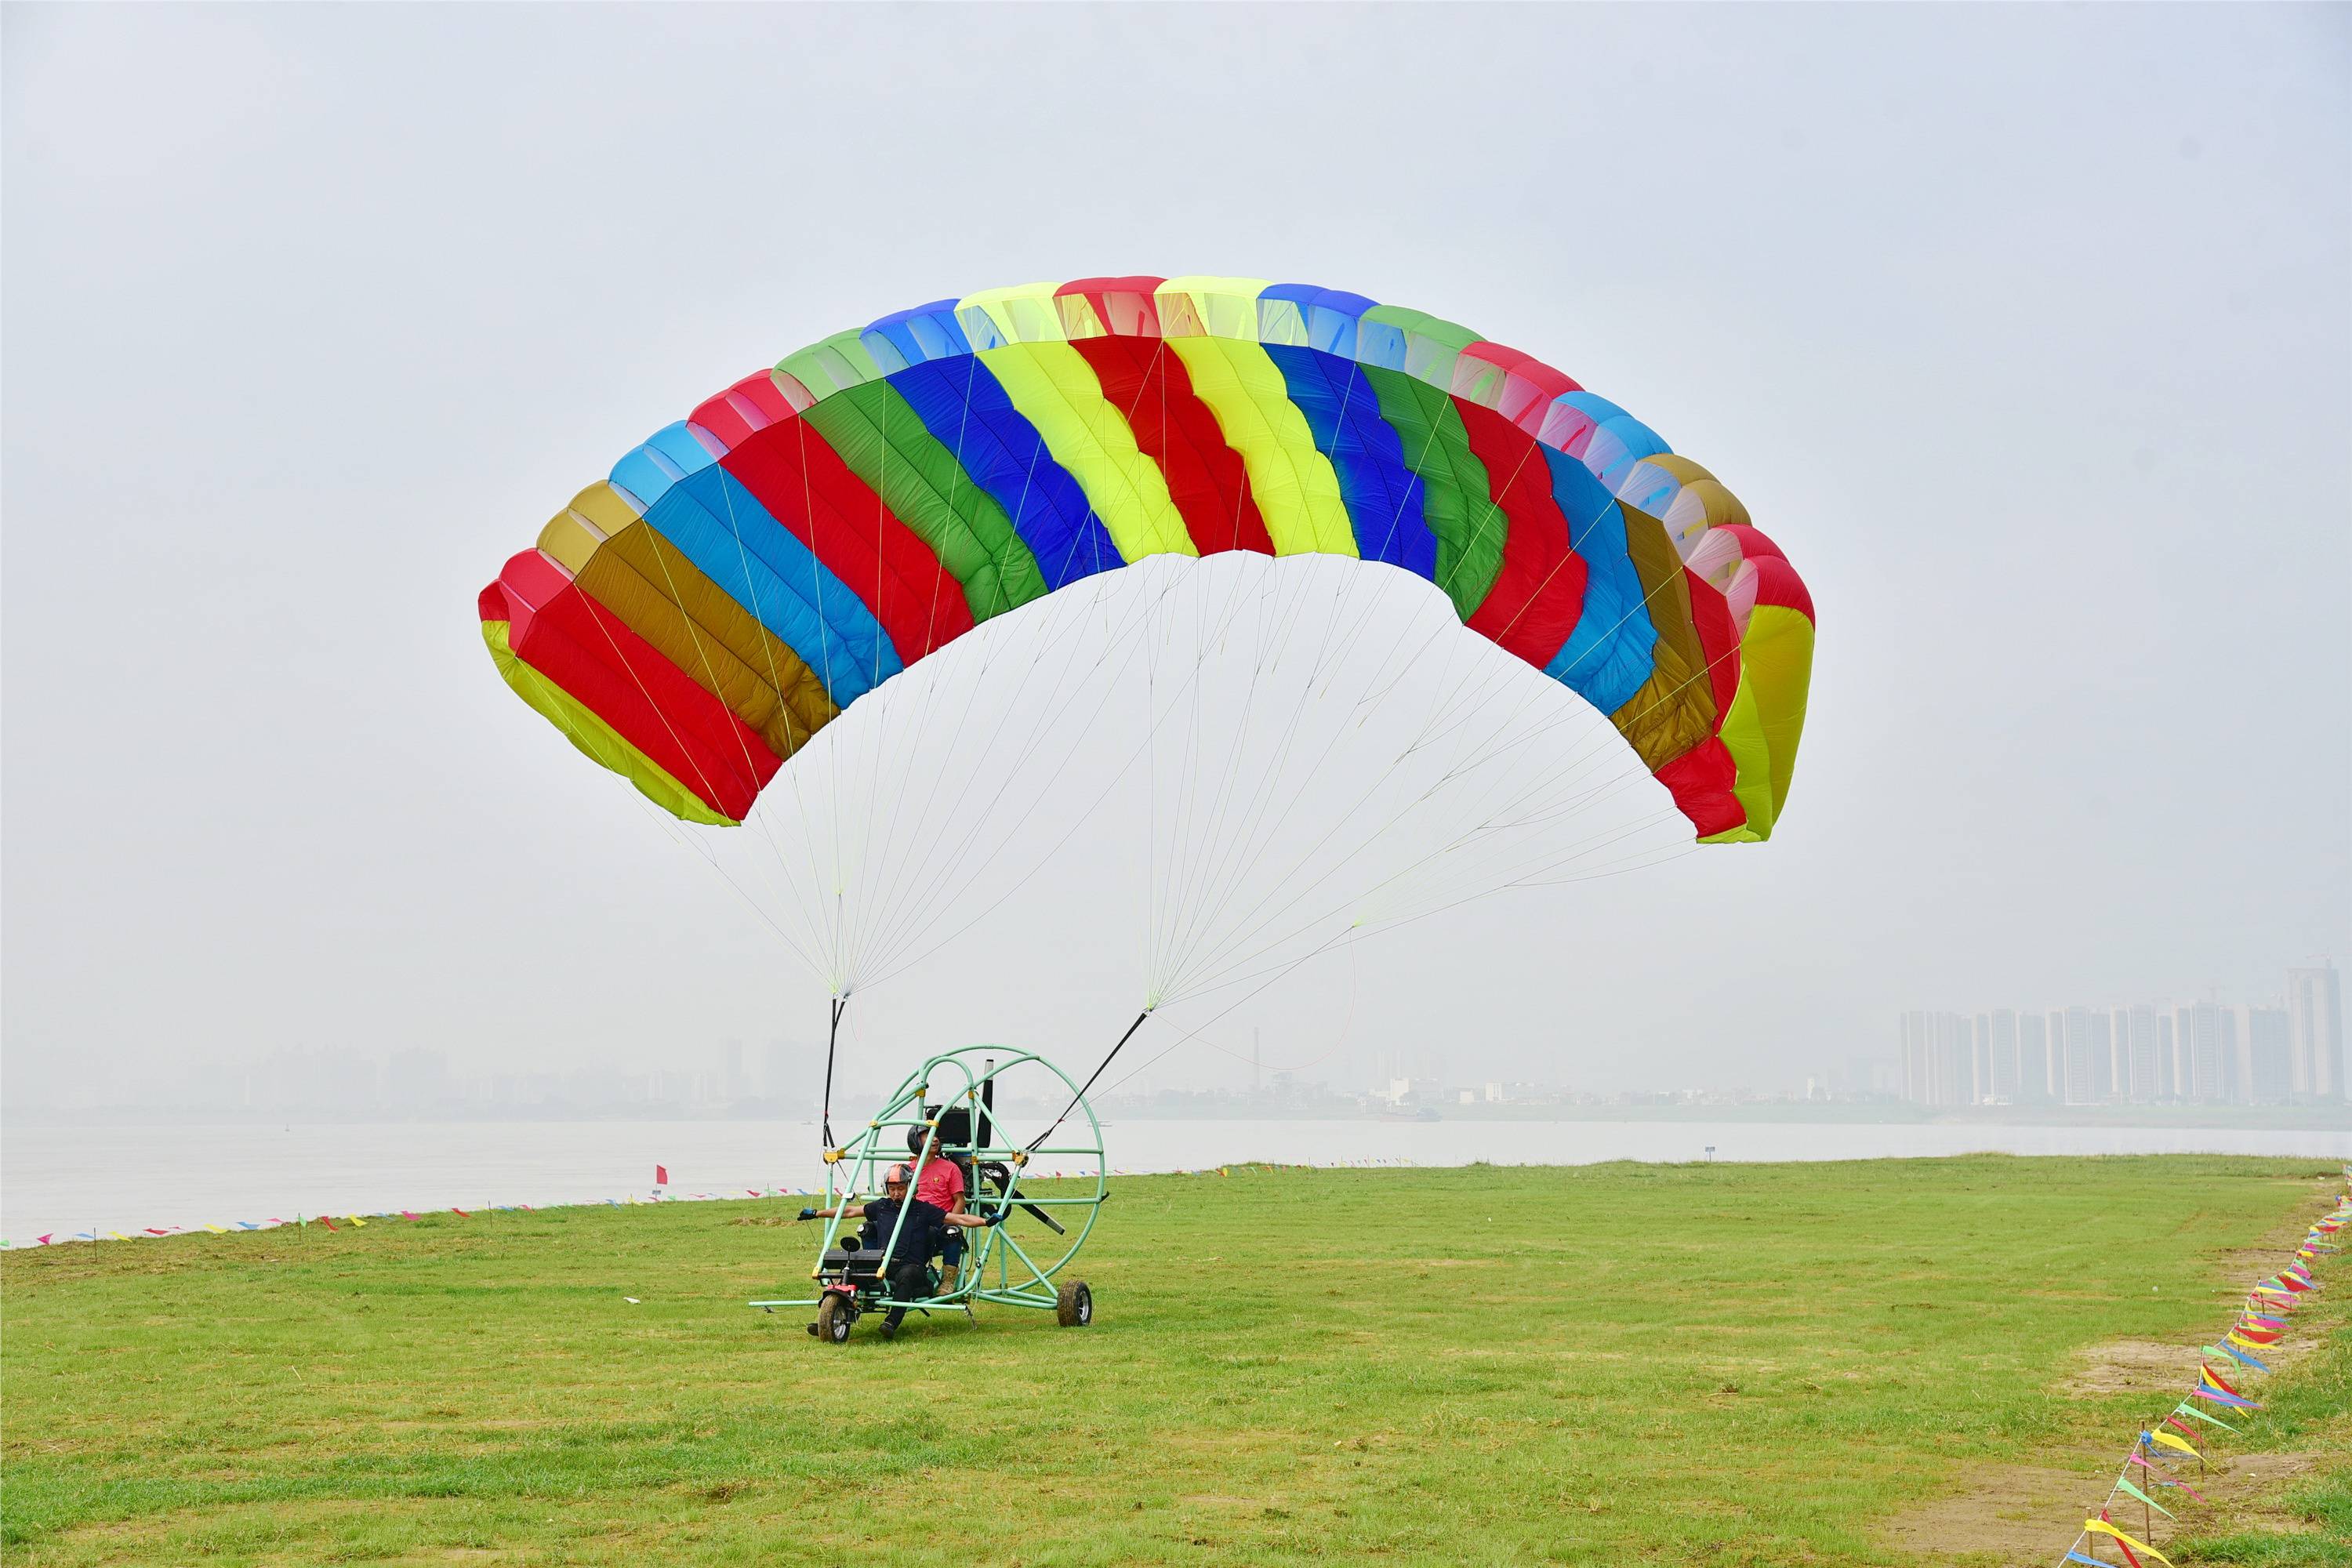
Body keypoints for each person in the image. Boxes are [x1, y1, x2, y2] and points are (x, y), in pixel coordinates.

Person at [800, 1163, 993, 1337]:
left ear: (911, 1187)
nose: (896, 1193)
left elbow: (958, 1219)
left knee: (907, 1274)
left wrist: (985, 1222)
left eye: (900, 1188)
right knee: (850, 1271)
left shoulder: (923, 1209)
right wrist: (817, 1213)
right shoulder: (882, 1206)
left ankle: (891, 1322)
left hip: (913, 1268)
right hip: (884, 1264)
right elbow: (849, 1211)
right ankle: (829, 1320)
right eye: (892, 1189)